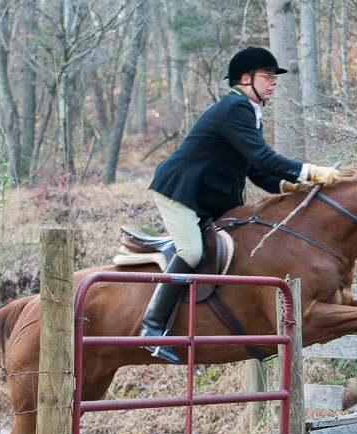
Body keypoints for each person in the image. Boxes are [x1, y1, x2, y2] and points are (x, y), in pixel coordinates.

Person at [140, 46, 342, 363]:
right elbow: (263, 158)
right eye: (267, 76)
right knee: (191, 251)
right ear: (245, 79)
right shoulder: (235, 108)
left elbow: (255, 170)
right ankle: (151, 330)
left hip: (206, 198)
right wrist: (309, 170)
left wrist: (288, 185)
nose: (273, 82)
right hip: (179, 193)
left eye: (275, 77)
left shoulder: (246, 111)